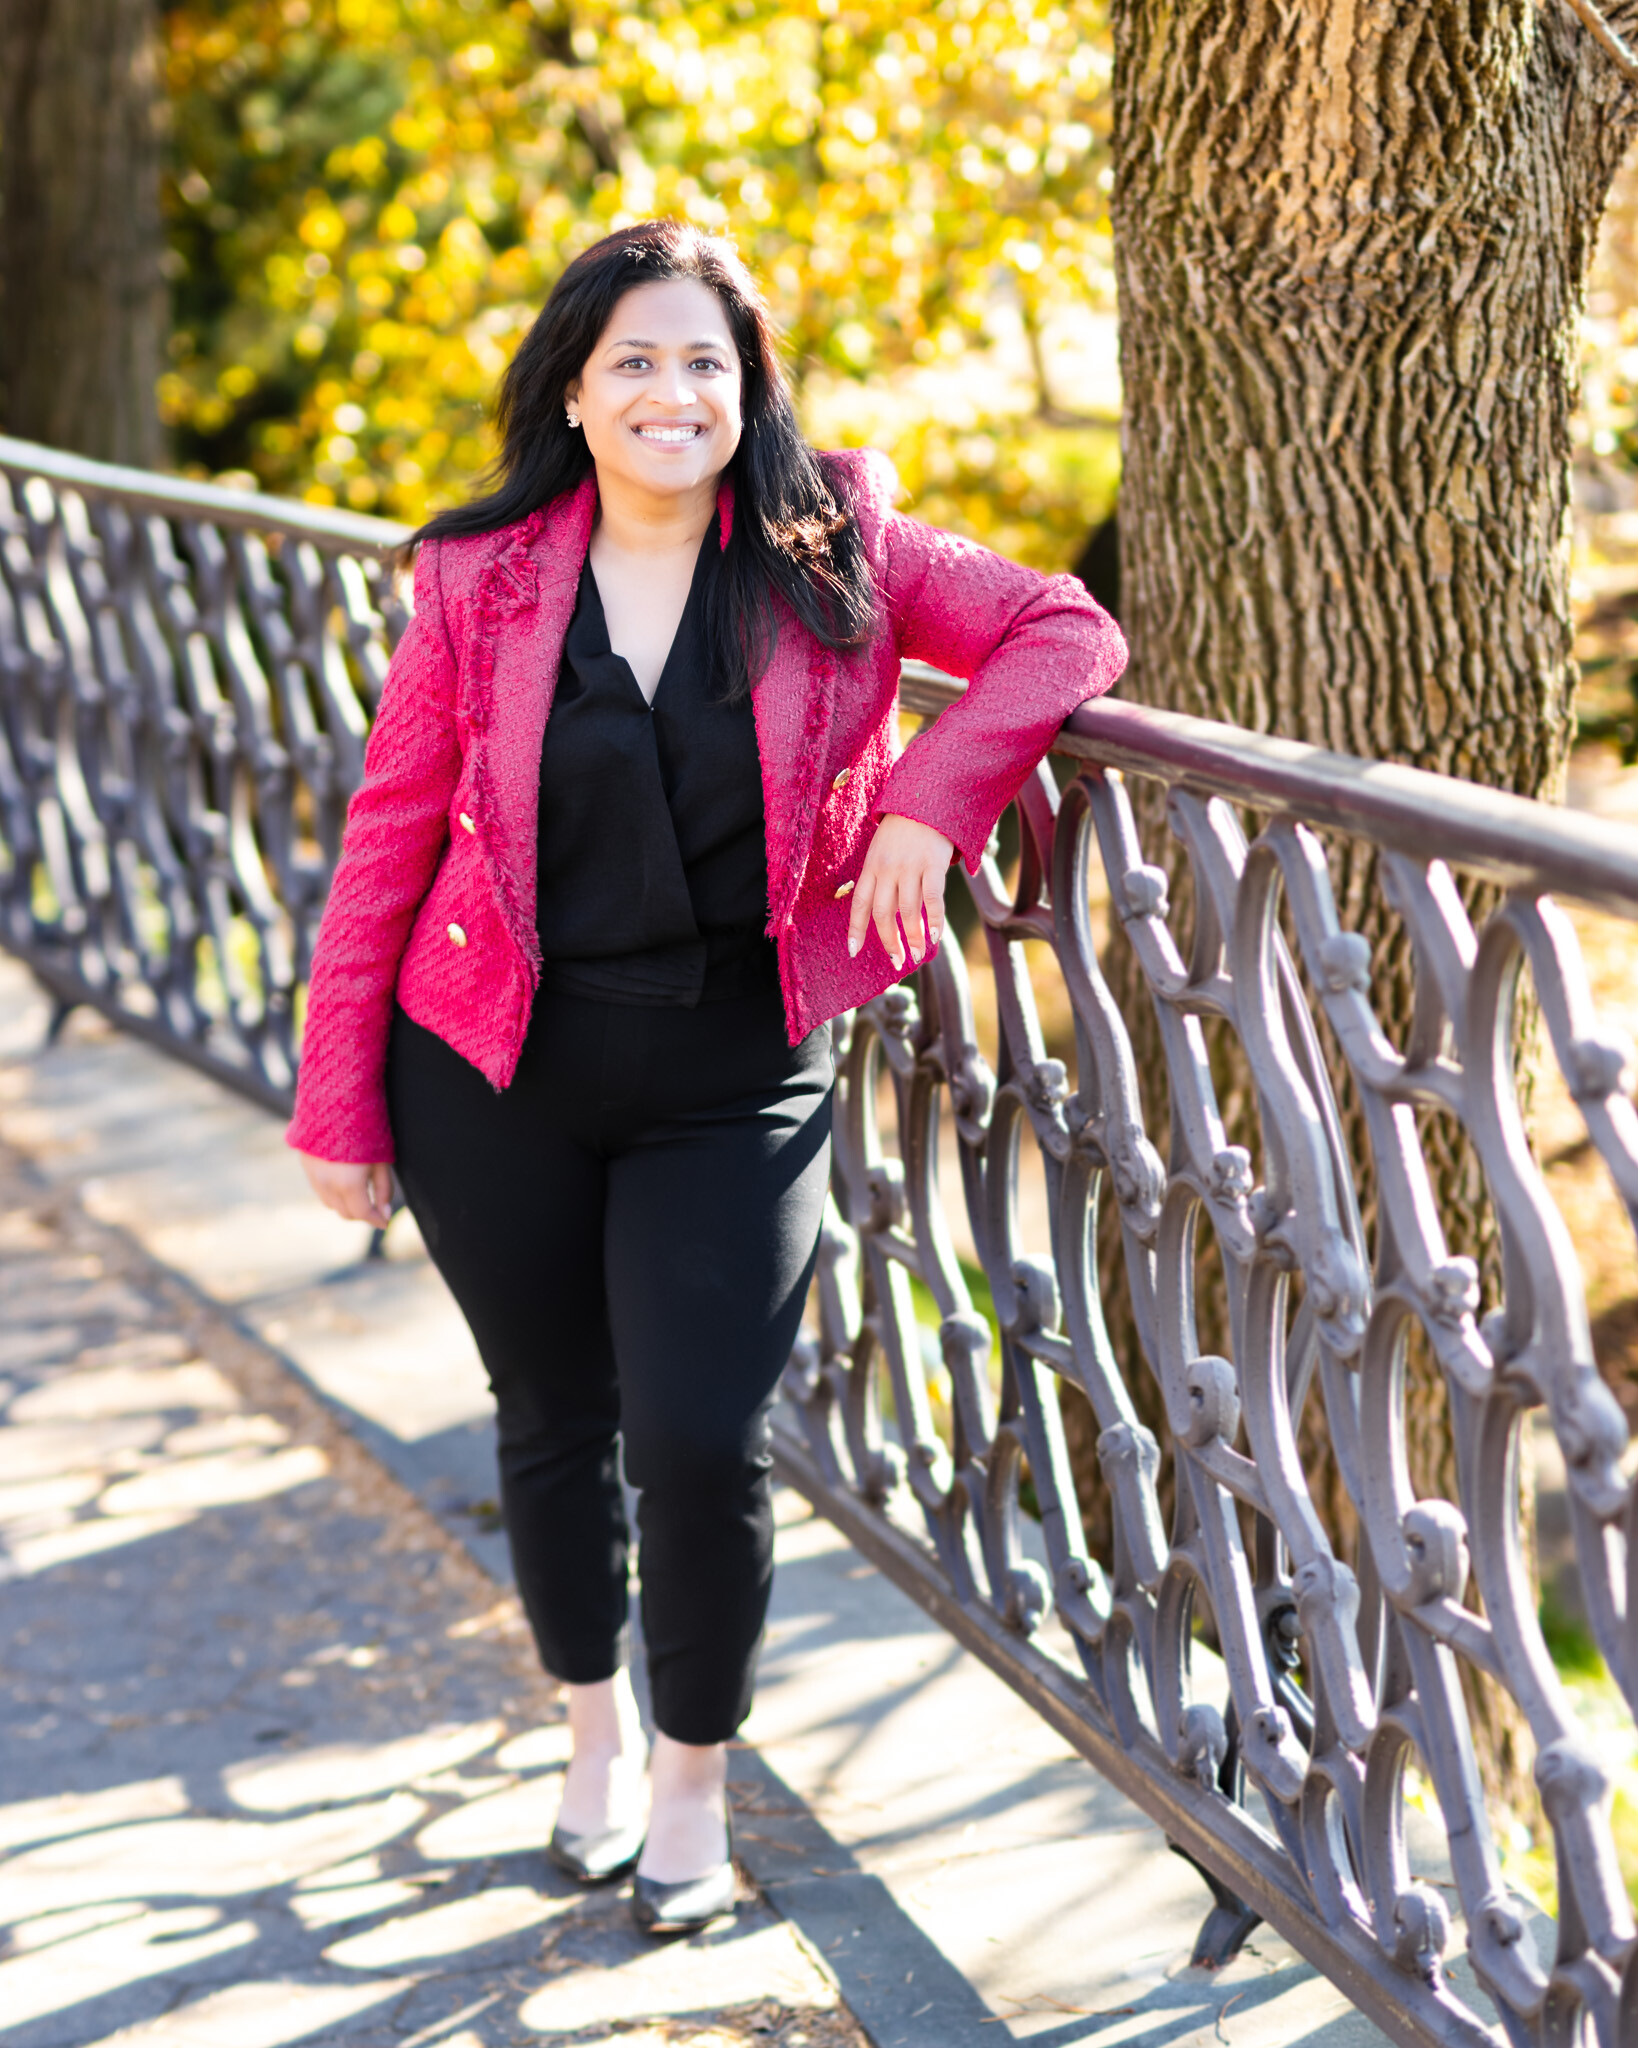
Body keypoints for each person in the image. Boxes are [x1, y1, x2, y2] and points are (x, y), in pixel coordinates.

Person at [287, 218, 1126, 1936]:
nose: (674, 392)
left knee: (697, 1435)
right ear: (576, 396)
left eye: (705, 362)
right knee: (549, 1418)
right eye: (635, 364)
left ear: (748, 389)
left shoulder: (839, 550)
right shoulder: (483, 578)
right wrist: (337, 1098)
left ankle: (692, 1774)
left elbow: (1061, 632)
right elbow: (386, 832)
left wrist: (928, 796)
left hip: (731, 1076)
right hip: (486, 1065)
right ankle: (590, 1734)